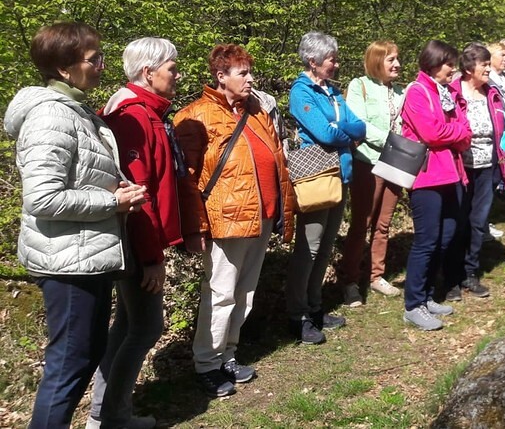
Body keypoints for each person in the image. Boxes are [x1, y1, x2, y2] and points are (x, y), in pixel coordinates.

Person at [3, 22, 147, 429]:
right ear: (64, 68)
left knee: (84, 355)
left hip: (86, 255)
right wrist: (112, 202)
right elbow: (43, 198)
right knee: (69, 363)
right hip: (66, 263)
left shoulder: (76, 111)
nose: (102, 65)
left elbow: (79, 176)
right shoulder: (50, 115)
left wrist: (114, 186)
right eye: (93, 59)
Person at [174, 44, 295, 397]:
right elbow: (187, 178)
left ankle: (227, 355)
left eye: (249, 72)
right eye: (243, 73)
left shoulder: (256, 110)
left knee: (244, 293)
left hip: (261, 216)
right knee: (221, 293)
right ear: (221, 76)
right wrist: (195, 226)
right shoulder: (196, 116)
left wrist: (283, 209)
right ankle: (206, 364)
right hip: (226, 220)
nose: (250, 79)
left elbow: (277, 159)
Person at [88, 38, 184, 429]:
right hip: (133, 239)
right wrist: (152, 258)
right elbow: (138, 194)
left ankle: (102, 412)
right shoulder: (134, 116)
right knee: (146, 327)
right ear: (148, 72)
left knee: (128, 323)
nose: (178, 76)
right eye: (172, 69)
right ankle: (112, 417)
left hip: (133, 238)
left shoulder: (143, 111)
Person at [286, 32, 365, 342]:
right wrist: (344, 134)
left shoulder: (331, 91)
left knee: (325, 246)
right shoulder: (301, 93)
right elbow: (325, 134)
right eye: (332, 59)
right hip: (317, 177)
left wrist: (340, 129)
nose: (336, 64)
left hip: (340, 174)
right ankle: (298, 315)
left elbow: (359, 126)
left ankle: (315, 307)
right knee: (309, 248)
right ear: (313, 61)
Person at [400, 40, 472, 330]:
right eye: (448, 64)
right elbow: (431, 133)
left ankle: (427, 296)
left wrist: (454, 132)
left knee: (445, 237)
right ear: (432, 64)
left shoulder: (447, 93)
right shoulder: (417, 92)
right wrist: (456, 131)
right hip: (427, 176)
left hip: (452, 174)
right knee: (427, 240)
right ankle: (413, 304)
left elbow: (466, 133)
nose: (453, 69)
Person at [444, 43, 505, 302]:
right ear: (470, 68)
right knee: (456, 221)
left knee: (478, 220)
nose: (488, 69)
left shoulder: (492, 93)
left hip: (487, 166)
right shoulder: (452, 92)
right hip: (458, 166)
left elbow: (502, 123)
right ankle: (451, 277)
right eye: (484, 65)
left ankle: (470, 272)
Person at [343, 41, 407, 301]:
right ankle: (350, 280)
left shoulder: (401, 91)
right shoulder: (360, 86)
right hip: (368, 162)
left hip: (396, 162)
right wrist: (391, 141)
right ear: (376, 61)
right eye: (391, 59)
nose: (397, 64)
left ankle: (376, 276)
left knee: (383, 224)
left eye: (397, 59)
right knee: (362, 223)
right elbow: (359, 124)